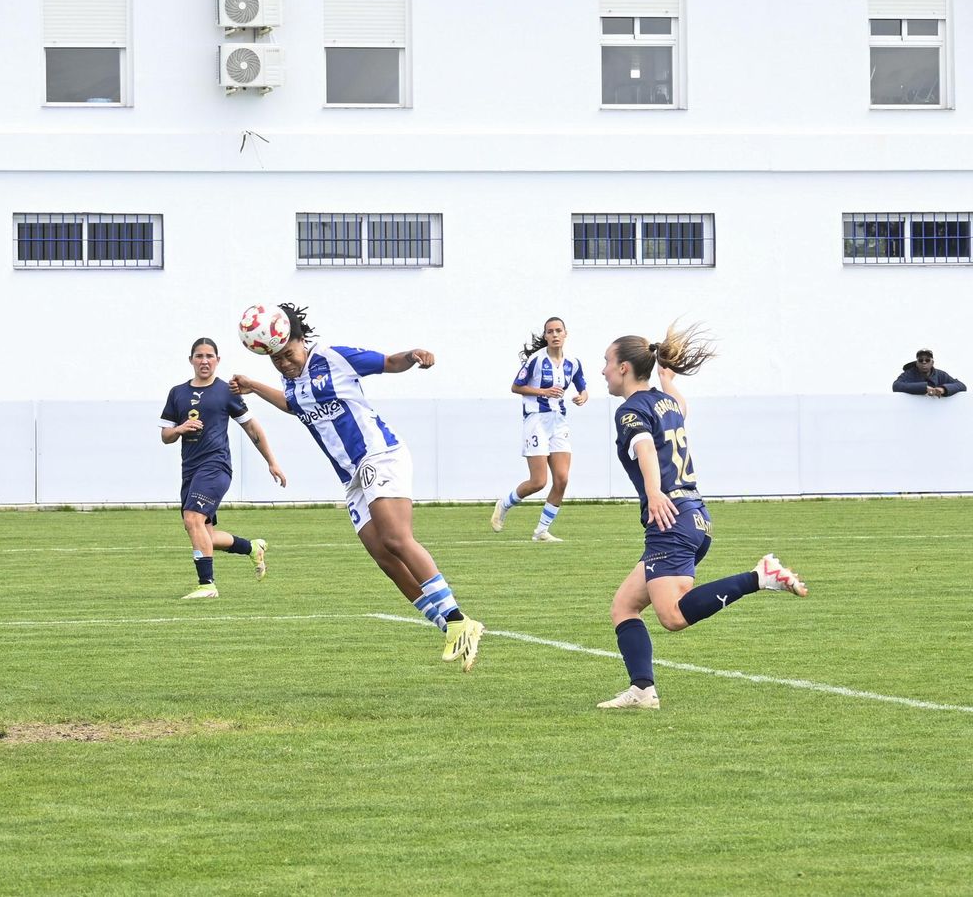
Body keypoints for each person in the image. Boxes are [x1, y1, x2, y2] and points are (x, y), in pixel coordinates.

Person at [229, 304, 484, 671]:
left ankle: (459, 619)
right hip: (351, 478)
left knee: (396, 538)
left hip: (379, 454)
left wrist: (413, 356)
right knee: (383, 555)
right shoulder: (290, 380)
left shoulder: (333, 358)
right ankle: (448, 626)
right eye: (276, 360)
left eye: (288, 354)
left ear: (301, 340)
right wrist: (253, 386)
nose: (284, 363)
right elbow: (293, 405)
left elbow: (387, 362)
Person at [597, 324, 808, 711]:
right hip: (693, 516)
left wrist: (655, 491)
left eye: (607, 363)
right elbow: (682, 409)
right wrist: (668, 379)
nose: (603, 371)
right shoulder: (667, 402)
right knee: (624, 606)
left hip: (670, 520)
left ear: (625, 368)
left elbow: (644, 447)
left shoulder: (630, 410)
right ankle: (642, 690)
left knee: (673, 616)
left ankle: (760, 576)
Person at [160, 337, 287, 600]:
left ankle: (207, 585)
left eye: (209, 356)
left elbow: (252, 427)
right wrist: (180, 429)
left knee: (192, 518)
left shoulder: (227, 391)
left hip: (216, 466)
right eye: (199, 356)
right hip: (190, 470)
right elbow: (166, 435)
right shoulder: (177, 393)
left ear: (217, 360)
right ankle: (252, 547)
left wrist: (271, 461)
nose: (204, 361)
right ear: (191, 360)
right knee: (203, 534)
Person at [490, 317, 588, 542]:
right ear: (545, 336)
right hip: (536, 421)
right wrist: (543, 392)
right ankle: (503, 505)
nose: (554, 335)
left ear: (565, 334)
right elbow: (516, 386)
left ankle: (541, 531)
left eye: (558, 331)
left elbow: (583, 387)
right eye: (550, 331)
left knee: (562, 479)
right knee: (538, 481)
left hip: (559, 421)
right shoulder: (535, 360)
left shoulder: (573, 362)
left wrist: (582, 397)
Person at [892, 349, 965, 398]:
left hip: (935, 413)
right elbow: (896, 386)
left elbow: (961, 386)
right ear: (916, 363)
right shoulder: (909, 374)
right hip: (913, 412)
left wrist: (943, 389)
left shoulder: (941, 374)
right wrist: (924, 388)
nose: (924, 362)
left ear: (932, 363)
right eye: (921, 360)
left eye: (927, 360)